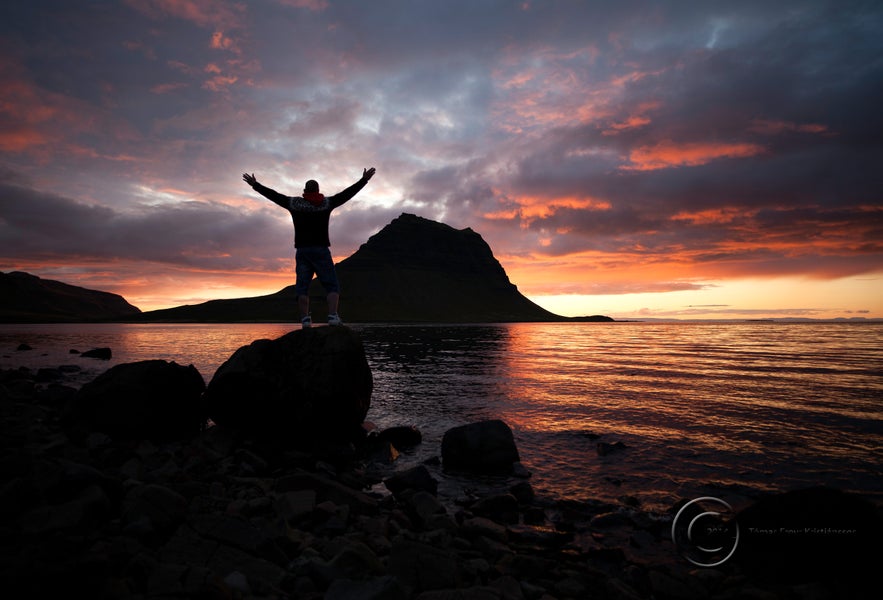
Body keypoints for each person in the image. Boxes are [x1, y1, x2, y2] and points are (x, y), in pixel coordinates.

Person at [242, 167, 376, 328]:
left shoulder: (294, 204)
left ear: (304, 191)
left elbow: (274, 196)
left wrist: (255, 185)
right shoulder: (327, 203)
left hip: (303, 251)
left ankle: (305, 320)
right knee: (331, 285)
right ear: (318, 190)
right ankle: (333, 316)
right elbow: (347, 194)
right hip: (321, 250)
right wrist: (364, 180)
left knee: (302, 287)